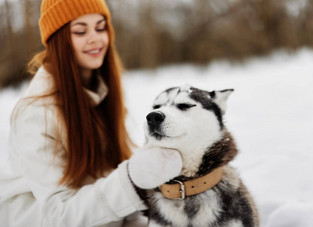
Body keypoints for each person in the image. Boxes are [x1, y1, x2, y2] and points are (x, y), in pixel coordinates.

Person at [0, 0, 183, 226]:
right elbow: (60, 214)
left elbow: (107, 179)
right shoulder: (36, 114)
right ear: (59, 40)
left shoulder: (100, 94)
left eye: (100, 27)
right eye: (80, 31)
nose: (95, 38)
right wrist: (132, 180)